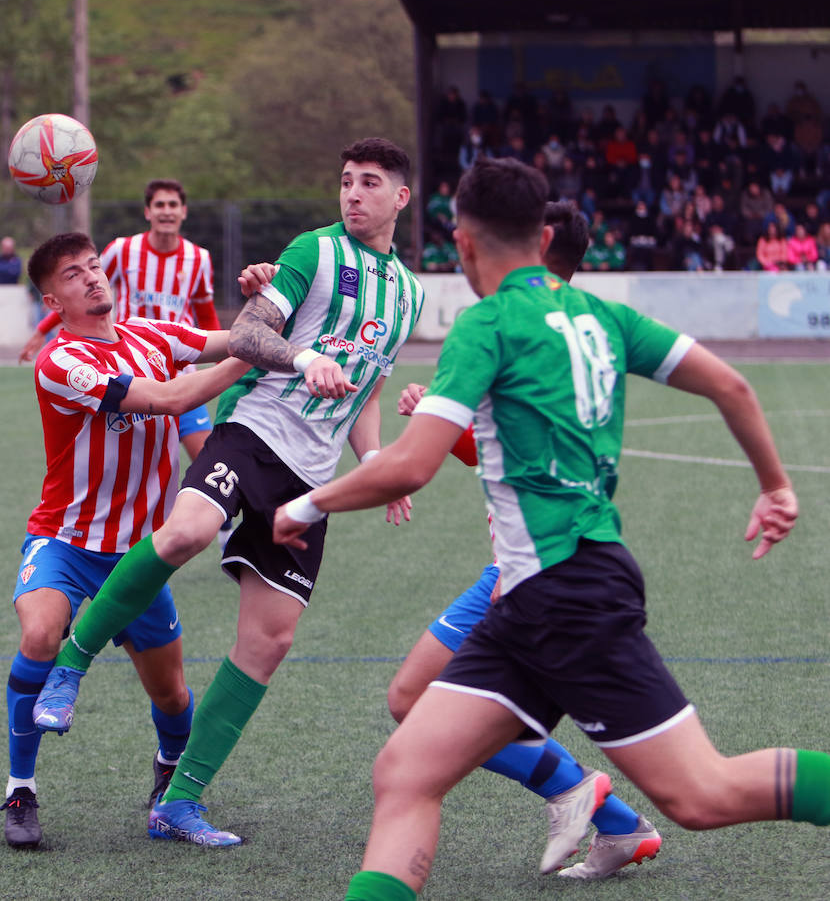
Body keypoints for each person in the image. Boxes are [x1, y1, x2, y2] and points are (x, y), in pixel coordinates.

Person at [266, 158, 823, 901]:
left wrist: (304, 506)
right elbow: (732, 385)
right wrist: (775, 486)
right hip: (531, 602)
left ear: (462, 243)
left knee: (704, 796)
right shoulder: (603, 316)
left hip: (568, 594)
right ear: (543, 232)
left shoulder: (488, 323)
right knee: (406, 770)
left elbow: (409, 467)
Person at [32, 138, 424, 846]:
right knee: (183, 532)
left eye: (370, 183)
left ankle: (179, 803)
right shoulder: (314, 251)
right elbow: (250, 331)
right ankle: (72, 660)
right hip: (252, 431)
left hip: (311, 476)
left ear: (401, 198)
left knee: (269, 642)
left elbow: (368, 388)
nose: (353, 193)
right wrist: (303, 357)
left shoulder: (410, 291)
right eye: (345, 181)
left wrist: (377, 464)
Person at [386, 202, 661, 881]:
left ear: (533, 247)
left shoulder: (518, 329)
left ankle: (580, 792)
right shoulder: (578, 331)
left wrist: (321, 497)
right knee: (413, 699)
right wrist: (442, 420)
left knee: (414, 710)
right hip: (529, 570)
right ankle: (617, 821)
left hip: (537, 579)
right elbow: (502, 459)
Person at [0, 232, 252, 849]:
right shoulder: (61, 361)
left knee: (169, 692)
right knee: (39, 634)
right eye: (71, 275)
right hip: (65, 540)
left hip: (139, 556)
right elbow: (172, 397)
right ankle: (20, 789)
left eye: (93, 266)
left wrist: (268, 299)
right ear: (50, 298)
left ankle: (169, 778)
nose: (90, 278)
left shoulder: (152, 335)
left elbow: (229, 339)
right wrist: (254, 351)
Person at [18, 178, 221, 462]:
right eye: (159, 205)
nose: (166, 211)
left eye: (173, 205)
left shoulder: (198, 258)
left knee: (209, 465)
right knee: (126, 463)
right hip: (126, 373)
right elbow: (77, 293)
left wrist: (225, 359)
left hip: (180, 374)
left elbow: (206, 312)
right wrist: (42, 330)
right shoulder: (122, 250)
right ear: (148, 212)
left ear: (183, 212)